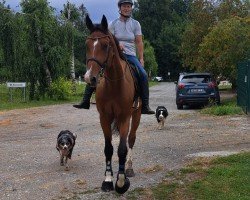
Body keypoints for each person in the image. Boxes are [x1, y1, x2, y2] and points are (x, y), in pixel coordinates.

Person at [73, 0, 155, 114]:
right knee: (95, 71)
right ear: (120, 8)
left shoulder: (136, 24)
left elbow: (139, 42)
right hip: (115, 54)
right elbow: (108, 40)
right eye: (124, 6)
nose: (126, 8)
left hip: (130, 55)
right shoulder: (113, 24)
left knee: (143, 74)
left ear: (131, 8)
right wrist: (117, 44)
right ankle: (85, 100)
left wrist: (141, 58)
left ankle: (145, 105)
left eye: (128, 6)